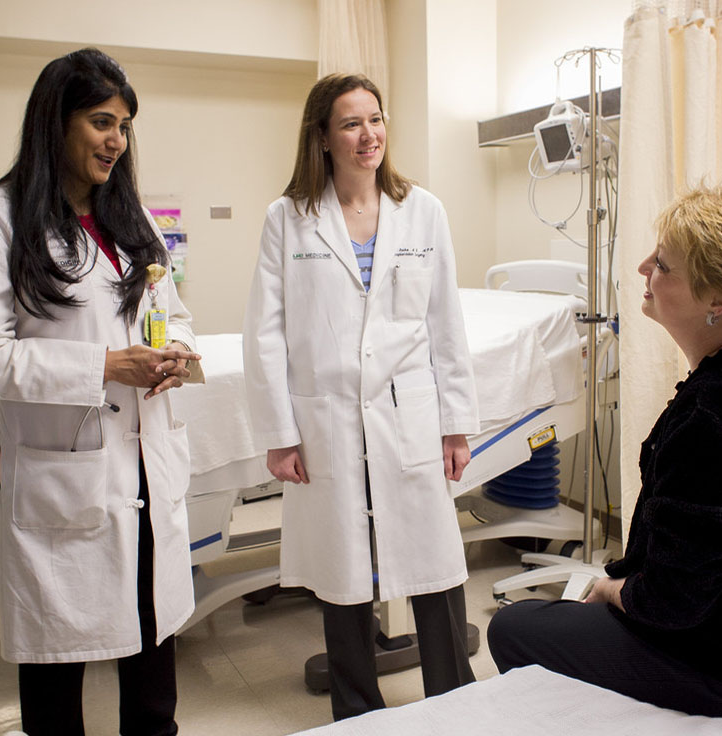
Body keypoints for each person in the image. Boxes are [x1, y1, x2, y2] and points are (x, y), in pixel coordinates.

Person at [487, 183, 722, 722]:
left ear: (718, 301)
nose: (642, 268)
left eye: (662, 264)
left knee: (514, 629)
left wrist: (611, 589)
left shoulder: (716, 419)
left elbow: (673, 604)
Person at [0, 48, 202, 736]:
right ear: (55, 122)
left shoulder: (131, 222)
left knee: (153, 682)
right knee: (58, 680)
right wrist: (104, 367)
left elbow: (170, 310)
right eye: (100, 121)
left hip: (146, 469)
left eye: (123, 125)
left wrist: (174, 348)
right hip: (66, 477)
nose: (116, 140)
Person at [244, 73, 479, 721]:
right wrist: (279, 431)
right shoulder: (288, 217)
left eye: (375, 119)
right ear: (322, 136)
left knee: (432, 561)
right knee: (342, 568)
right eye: (350, 123)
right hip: (325, 419)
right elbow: (264, 331)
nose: (368, 135)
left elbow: (444, 323)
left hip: (411, 412)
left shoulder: (421, 209)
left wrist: (455, 423)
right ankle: (356, 710)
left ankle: (454, 702)